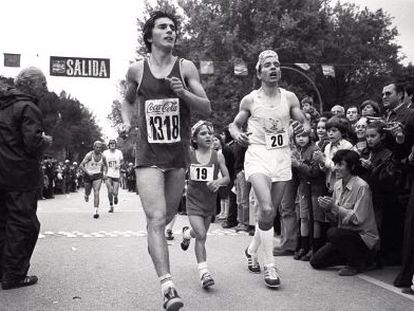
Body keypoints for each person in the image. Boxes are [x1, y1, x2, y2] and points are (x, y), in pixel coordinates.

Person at [119, 11, 210, 311]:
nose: (170, 31)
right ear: (150, 36)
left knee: (168, 214)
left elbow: (206, 108)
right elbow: (127, 100)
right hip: (148, 156)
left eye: (173, 27)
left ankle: (177, 232)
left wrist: (183, 93)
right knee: (156, 219)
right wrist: (124, 122)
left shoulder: (185, 67)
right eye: (163, 27)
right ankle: (168, 287)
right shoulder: (137, 70)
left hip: (176, 156)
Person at [229, 50, 309, 288]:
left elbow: (304, 121)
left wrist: (303, 127)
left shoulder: (290, 98)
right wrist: (237, 135)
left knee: (269, 213)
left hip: (282, 156)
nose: (273, 68)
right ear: (259, 72)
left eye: (276, 64)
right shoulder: (250, 99)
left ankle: (252, 250)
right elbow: (234, 124)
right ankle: (270, 266)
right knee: (265, 207)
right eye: (268, 65)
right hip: (258, 155)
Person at [0, 67, 52, 289]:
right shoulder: (28, 107)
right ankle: (14, 275)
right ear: (30, 84)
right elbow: (32, 143)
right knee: (24, 225)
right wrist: (45, 141)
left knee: (3, 223)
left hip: (2, 174)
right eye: (42, 83)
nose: (44, 88)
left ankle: (4, 271)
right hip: (20, 175)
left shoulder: (4, 105)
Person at [311, 150, 379, 276]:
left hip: (363, 237)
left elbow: (358, 219)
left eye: (340, 164)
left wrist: (334, 207)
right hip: (344, 235)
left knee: (333, 233)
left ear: (352, 166)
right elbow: (335, 219)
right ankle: (359, 259)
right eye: (335, 164)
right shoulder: (337, 185)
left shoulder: (362, 186)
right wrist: (326, 208)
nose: (336, 168)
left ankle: (357, 263)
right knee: (316, 262)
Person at [180, 121, 229, 289]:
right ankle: (204, 273)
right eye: (203, 133)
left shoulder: (218, 155)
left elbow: (227, 178)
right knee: (201, 234)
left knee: (199, 234)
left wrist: (218, 181)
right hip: (193, 201)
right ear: (194, 139)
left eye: (210, 133)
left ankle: (187, 234)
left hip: (209, 202)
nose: (208, 136)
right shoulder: (189, 154)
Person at [80, 141, 108, 219]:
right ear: (94, 147)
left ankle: (96, 211)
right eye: (97, 147)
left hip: (97, 175)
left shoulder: (103, 156)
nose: (98, 149)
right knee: (88, 192)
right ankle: (86, 195)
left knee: (96, 191)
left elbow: (106, 166)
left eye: (100, 147)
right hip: (88, 175)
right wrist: (88, 173)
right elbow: (81, 165)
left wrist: (105, 174)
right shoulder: (89, 155)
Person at [102, 139, 124, 213]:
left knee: (115, 192)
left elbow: (122, 161)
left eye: (113, 143)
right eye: (111, 143)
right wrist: (103, 173)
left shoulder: (119, 152)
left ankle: (116, 196)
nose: (112, 144)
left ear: (115, 144)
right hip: (108, 174)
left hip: (116, 174)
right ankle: (111, 206)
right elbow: (102, 163)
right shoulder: (105, 153)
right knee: (110, 190)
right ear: (108, 145)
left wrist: (119, 164)